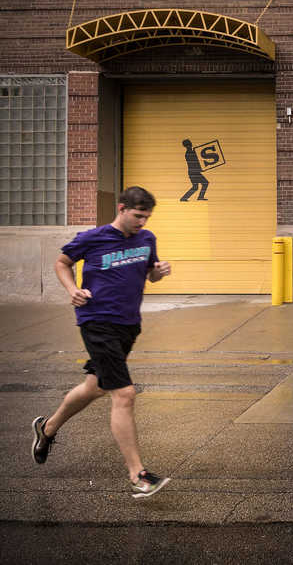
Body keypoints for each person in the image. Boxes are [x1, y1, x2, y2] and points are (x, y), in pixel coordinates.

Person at [32, 186, 173, 498]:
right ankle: (138, 475)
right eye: (138, 216)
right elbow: (62, 262)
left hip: (128, 325)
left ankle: (48, 429)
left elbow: (150, 275)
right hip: (96, 321)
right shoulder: (91, 238)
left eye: (147, 217)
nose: (142, 222)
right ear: (121, 209)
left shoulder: (147, 239)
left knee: (95, 387)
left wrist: (159, 271)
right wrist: (72, 290)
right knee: (124, 394)